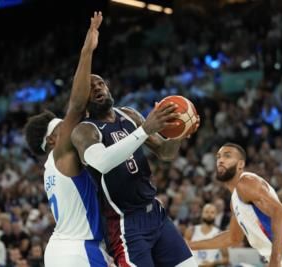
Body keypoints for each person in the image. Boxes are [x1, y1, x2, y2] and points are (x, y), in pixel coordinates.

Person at [70, 76, 200, 266]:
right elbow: (101, 162)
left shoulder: (129, 115)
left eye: (101, 84)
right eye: (90, 88)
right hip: (126, 224)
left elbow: (165, 152)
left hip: (155, 213)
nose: (98, 89)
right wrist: (144, 130)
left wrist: (180, 133)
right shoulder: (84, 130)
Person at [23, 12, 110, 267]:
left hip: (62, 249)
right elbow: (77, 105)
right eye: (62, 126)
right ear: (52, 140)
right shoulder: (61, 150)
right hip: (80, 248)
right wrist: (87, 51)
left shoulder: (54, 166)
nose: (71, 126)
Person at [188, 143, 282, 267]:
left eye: (227, 156)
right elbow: (233, 238)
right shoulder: (234, 200)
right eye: (218, 157)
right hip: (280, 255)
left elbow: (281, 214)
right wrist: (190, 245)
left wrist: (275, 259)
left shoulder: (246, 183)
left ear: (240, 165)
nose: (220, 160)